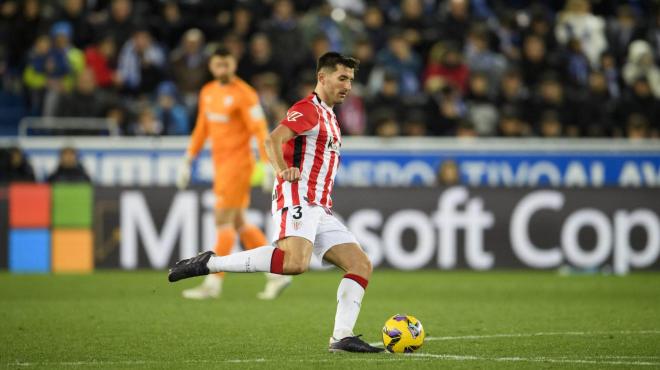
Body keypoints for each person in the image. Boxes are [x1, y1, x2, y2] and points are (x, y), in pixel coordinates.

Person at [169, 52, 383, 353]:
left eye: (350, 79)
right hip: (298, 195)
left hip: (320, 207)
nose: (347, 85)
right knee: (295, 263)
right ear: (322, 78)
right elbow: (272, 140)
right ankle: (210, 263)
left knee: (360, 264)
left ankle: (342, 336)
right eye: (342, 78)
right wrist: (282, 171)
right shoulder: (308, 109)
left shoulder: (331, 117)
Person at [175, 47, 291, 301]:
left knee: (223, 222)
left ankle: (212, 282)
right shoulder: (208, 92)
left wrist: (267, 165)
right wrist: (188, 158)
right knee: (239, 224)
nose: (222, 70)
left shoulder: (245, 94)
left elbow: (260, 131)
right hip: (220, 166)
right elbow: (201, 129)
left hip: (238, 167)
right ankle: (278, 273)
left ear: (234, 64)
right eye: (218, 65)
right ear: (211, 66)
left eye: (227, 65)